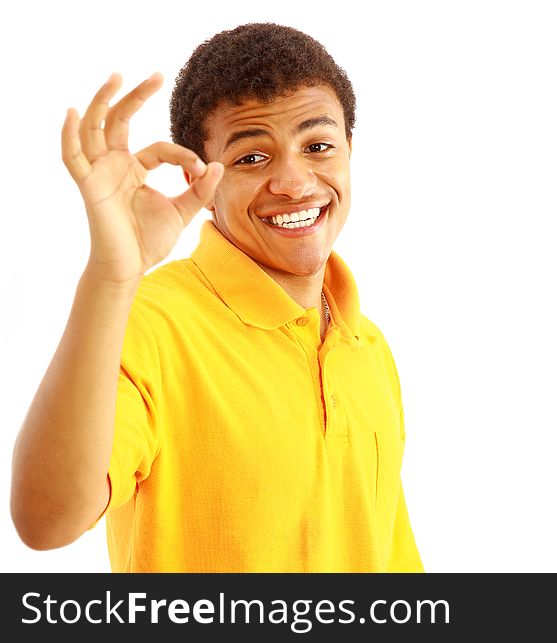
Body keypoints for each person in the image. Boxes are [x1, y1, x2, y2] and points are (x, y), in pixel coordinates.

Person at [10, 23, 423, 572]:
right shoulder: (150, 322)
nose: (295, 182)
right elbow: (46, 521)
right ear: (199, 178)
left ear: (349, 150)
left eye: (318, 146)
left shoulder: (368, 345)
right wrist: (110, 277)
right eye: (252, 158)